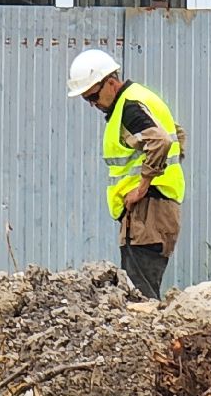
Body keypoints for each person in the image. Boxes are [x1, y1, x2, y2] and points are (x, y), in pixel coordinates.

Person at [65, 49, 186, 299]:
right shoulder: (140, 97)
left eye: (93, 96)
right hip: (154, 209)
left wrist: (142, 187)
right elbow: (178, 134)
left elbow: (161, 141)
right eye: (86, 99)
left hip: (148, 210)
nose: (92, 104)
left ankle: (151, 338)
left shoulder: (128, 108)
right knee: (141, 288)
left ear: (110, 83)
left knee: (140, 295)